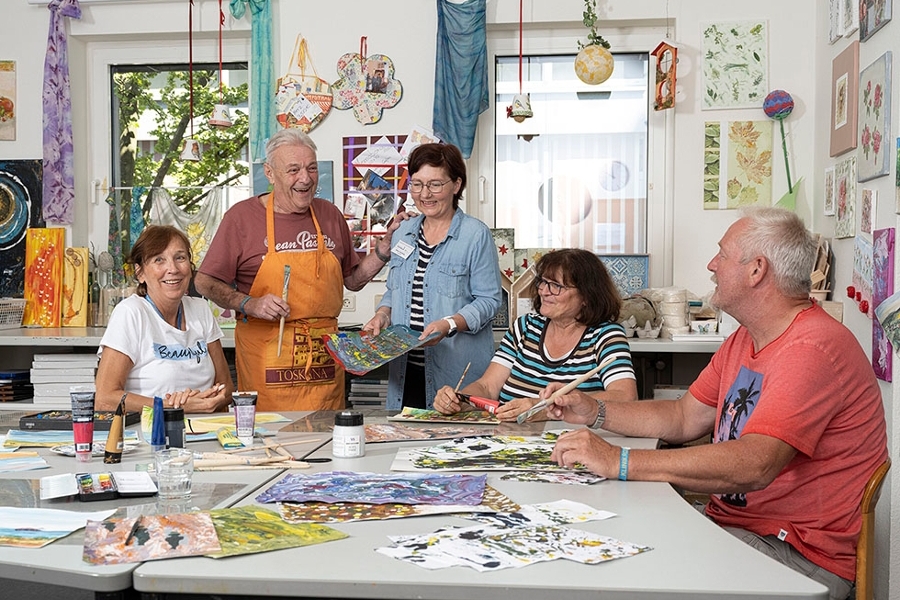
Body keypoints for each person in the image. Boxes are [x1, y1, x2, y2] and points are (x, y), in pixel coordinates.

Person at [548, 207, 888, 600]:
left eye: (722, 255)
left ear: (756, 270)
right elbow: (682, 417)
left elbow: (755, 465)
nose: (712, 264)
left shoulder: (811, 348)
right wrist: (595, 411)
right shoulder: (747, 337)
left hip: (795, 554)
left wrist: (619, 461)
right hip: (739, 528)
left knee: (618, 574)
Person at [195, 129, 407, 412]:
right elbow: (205, 282)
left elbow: (353, 280)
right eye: (293, 170)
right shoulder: (241, 218)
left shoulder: (330, 215)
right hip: (268, 362)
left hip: (323, 361)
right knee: (270, 436)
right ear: (270, 173)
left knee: (326, 433)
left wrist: (384, 249)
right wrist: (249, 303)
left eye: (311, 168)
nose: (305, 178)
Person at [362, 143, 502, 410]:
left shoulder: (475, 235)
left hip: (454, 374)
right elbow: (395, 290)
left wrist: (449, 324)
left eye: (435, 185)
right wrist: (382, 314)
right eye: (417, 184)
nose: (425, 194)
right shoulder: (403, 233)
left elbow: (489, 301)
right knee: (404, 436)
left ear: (456, 185)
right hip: (405, 372)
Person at [432, 248, 637, 421]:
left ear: (586, 296)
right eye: (543, 282)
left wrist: (542, 408)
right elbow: (487, 387)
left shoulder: (606, 336)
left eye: (556, 286)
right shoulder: (525, 327)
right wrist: (460, 399)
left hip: (569, 444)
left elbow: (625, 397)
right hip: (508, 441)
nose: (543, 291)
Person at [95, 225, 233, 413]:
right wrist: (174, 406)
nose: (173, 269)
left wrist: (209, 401)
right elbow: (105, 399)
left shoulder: (201, 309)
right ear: (140, 273)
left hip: (204, 427)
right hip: (150, 428)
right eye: (159, 260)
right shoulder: (130, 313)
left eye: (180, 258)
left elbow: (226, 388)